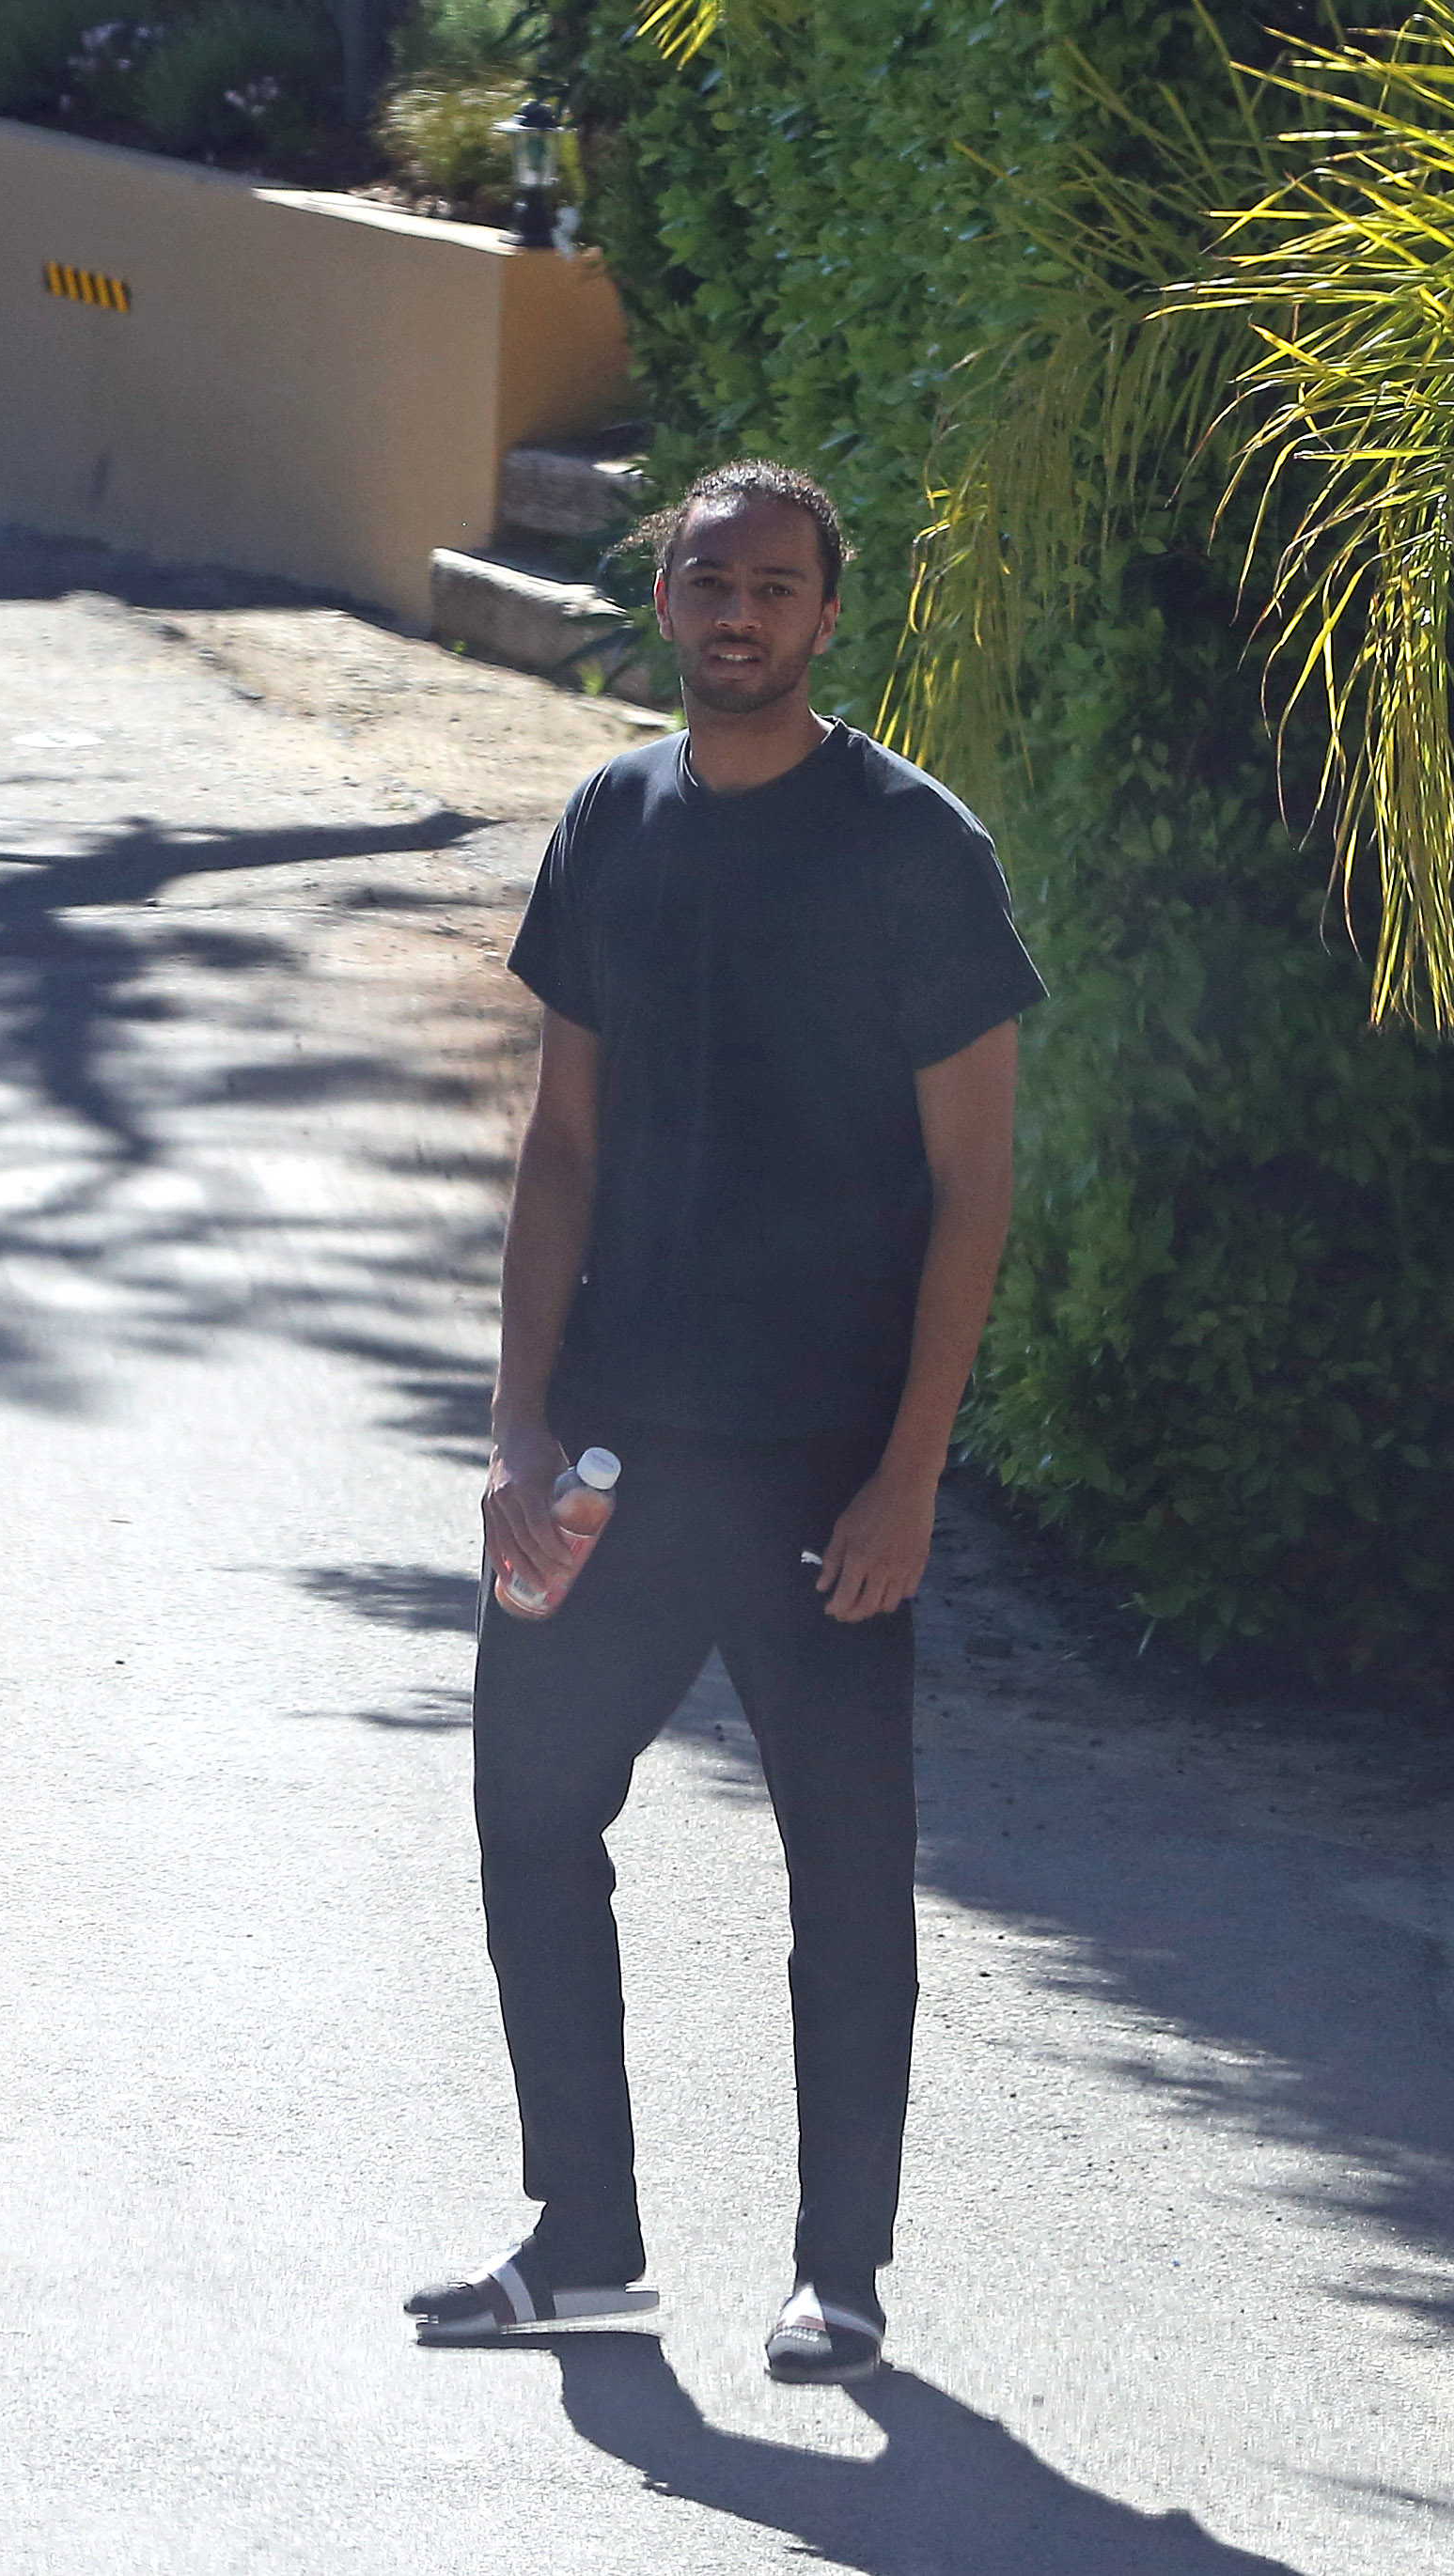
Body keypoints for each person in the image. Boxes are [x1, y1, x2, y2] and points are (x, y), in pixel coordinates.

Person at [405, 459, 1043, 2384]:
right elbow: (563, 1136)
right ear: (666, 601)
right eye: (708, 583)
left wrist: (912, 1469)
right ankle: (581, 2234)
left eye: (775, 587)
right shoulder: (613, 820)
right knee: (530, 1814)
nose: (739, 615)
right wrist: (514, 1426)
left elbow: (975, 1187)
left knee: (845, 1874)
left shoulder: (910, 848)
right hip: (607, 1458)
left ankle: (838, 2275)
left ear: (828, 617)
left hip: (818, 1466)